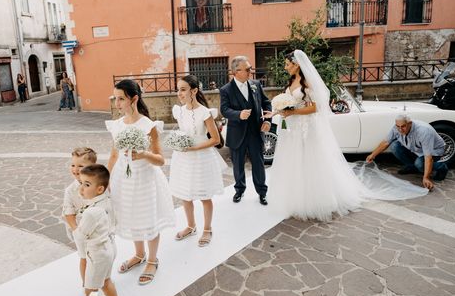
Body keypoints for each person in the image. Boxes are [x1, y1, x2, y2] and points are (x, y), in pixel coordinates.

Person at [267, 50, 426, 222]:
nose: (285, 67)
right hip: (293, 129)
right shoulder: (291, 81)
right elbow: (291, 102)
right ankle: (293, 198)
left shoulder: (307, 82)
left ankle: (312, 201)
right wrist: (280, 110)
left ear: (297, 64)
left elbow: (317, 107)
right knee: (294, 161)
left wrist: (293, 111)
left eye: (287, 64)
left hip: (307, 128)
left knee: (309, 162)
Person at [106, 79, 174, 285]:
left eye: (121, 99)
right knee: (132, 215)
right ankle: (139, 254)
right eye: (115, 99)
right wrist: (106, 178)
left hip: (145, 179)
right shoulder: (117, 125)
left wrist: (143, 154)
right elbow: (114, 155)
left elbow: (161, 160)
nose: (117, 104)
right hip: (123, 179)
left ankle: (152, 260)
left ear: (133, 99)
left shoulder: (148, 125)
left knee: (148, 218)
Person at [170, 75, 226, 247]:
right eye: (178, 89)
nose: (179, 93)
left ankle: (207, 229)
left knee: (204, 196)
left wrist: (193, 148)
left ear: (194, 91)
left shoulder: (204, 112)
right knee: (185, 195)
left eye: (183, 89)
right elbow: (182, 132)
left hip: (201, 157)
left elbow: (215, 139)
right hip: (183, 157)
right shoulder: (179, 111)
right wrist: (177, 142)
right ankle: (191, 226)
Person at [219, 55, 272, 205]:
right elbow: (224, 109)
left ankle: (262, 192)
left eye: (250, 68)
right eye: (247, 69)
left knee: (259, 164)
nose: (250, 71)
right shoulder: (226, 90)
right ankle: (239, 190)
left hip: (255, 132)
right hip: (237, 134)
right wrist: (238, 114)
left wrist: (267, 120)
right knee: (238, 165)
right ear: (236, 71)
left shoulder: (256, 85)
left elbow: (266, 103)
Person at [366, 114, 448, 190]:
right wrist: (373, 155)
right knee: (394, 146)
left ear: (410, 123)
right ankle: (412, 167)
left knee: (419, 164)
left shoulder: (424, 131)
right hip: (417, 149)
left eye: (403, 126)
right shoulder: (397, 127)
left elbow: (428, 157)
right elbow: (386, 142)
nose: (400, 129)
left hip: (434, 151)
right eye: (398, 126)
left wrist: (426, 178)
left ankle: (441, 167)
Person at [73, 164, 118, 296]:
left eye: (87, 185)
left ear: (99, 189)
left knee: (90, 289)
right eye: (81, 183)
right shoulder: (106, 200)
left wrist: (83, 256)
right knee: (105, 281)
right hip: (109, 247)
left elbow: (80, 236)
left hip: (97, 254)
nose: (81, 188)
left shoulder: (92, 212)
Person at [62, 147, 99, 286]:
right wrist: (76, 230)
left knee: (100, 255)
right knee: (84, 257)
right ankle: (86, 284)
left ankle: (103, 278)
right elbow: (68, 211)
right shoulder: (70, 190)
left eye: (80, 166)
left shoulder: (99, 185)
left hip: (99, 228)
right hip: (81, 229)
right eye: (73, 165)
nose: (75, 169)